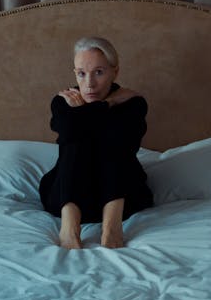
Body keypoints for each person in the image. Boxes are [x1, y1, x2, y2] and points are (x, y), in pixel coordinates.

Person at [39, 36, 153, 250]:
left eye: (98, 72)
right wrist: (108, 103)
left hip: (123, 197)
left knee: (114, 137)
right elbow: (68, 132)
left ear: (115, 72)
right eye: (82, 74)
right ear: (75, 73)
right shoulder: (63, 101)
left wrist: (84, 113)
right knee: (74, 139)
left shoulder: (133, 103)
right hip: (67, 195)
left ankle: (112, 227)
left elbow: (126, 142)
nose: (89, 84)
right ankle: (69, 227)